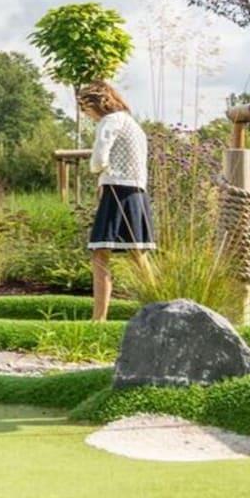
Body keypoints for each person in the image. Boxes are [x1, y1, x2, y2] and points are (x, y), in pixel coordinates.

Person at [78, 82, 154, 322]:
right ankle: (160, 307)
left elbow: (99, 159)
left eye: (85, 108)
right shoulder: (133, 124)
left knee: (100, 254)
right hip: (137, 191)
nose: (86, 115)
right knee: (138, 254)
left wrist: (96, 170)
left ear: (95, 104)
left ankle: (98, 320)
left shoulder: (109, 121)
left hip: (116, 189)